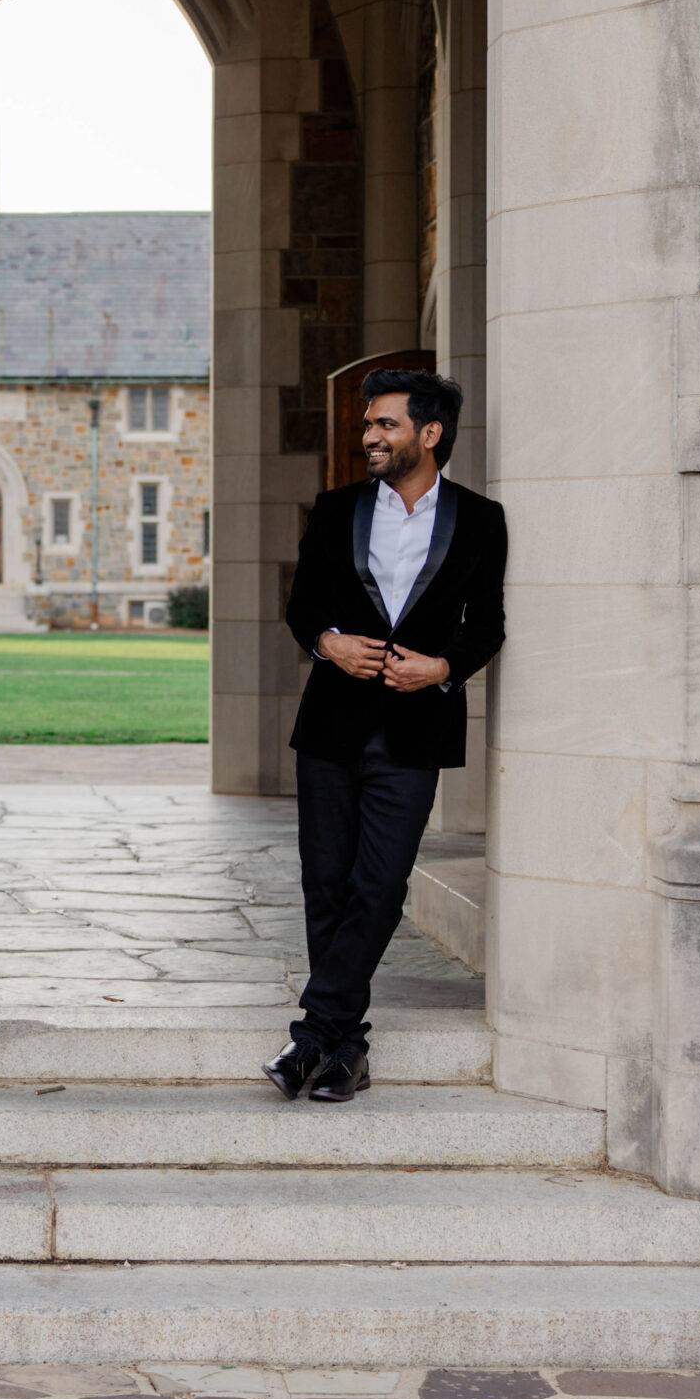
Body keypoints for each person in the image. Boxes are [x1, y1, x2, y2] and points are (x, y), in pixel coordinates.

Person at [270, 368, 505, 1103]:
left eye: (386, 425)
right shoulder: (336, 508)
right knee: (326, 883)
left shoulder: (480, 518)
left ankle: (314, 1034)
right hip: (332, 725)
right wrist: (328, 643)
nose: (370, 435)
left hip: (415, 727)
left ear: (429, 434)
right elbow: (303, 602)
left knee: (380, 883)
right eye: (369, 424)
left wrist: (441, 667)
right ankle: (343, 1048)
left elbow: (487, 624)